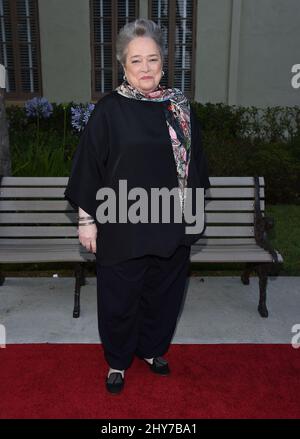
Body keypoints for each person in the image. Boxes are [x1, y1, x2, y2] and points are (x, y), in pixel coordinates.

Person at [64, 19, 210, 395]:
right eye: (136, 61)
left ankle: (151, 349)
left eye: (153, 59)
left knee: (164, 295)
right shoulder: (109, 110)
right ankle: (117, 360)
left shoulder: (178, 106)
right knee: (120, 300)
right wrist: (86, 221)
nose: (145, 68)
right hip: (121, 223)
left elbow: (194, 166)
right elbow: (89, 169)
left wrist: (192, 219)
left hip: (169, 222)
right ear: (123, 65)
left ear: (164, 62)